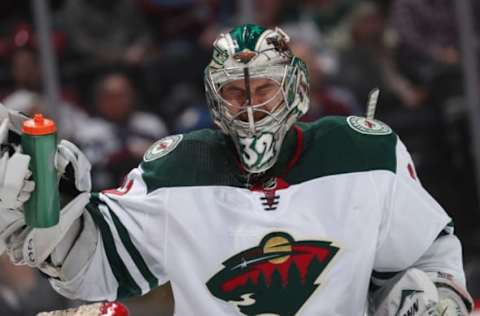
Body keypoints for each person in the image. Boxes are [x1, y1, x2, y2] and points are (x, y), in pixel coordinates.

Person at [0, 24, 474, 315]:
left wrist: (434, 296)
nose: (249, 108)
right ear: (213, 97)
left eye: (262, 90)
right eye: (234, 93)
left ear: (295, 89)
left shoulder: (362, 154)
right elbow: (96, 265)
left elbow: (423, 255)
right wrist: (53, 218)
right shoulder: (178, 169)